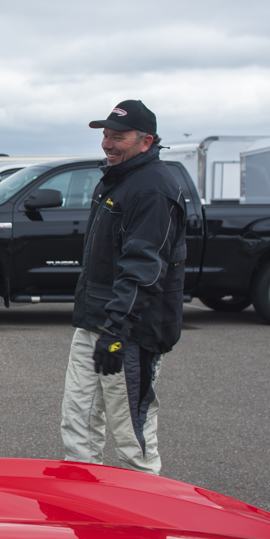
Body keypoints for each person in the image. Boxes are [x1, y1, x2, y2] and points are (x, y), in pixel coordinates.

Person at [60, 100, 186, 475]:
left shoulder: (152, 189)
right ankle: (84, 509)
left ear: (146, 142)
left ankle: (146, 522)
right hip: (94, 323)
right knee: (77, 423)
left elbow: (143, 267)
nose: (108, 144)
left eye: (119, 137)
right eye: (105, 135)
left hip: (131, 333)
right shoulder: (117, 180)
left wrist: (116, 331)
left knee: (132, 439)